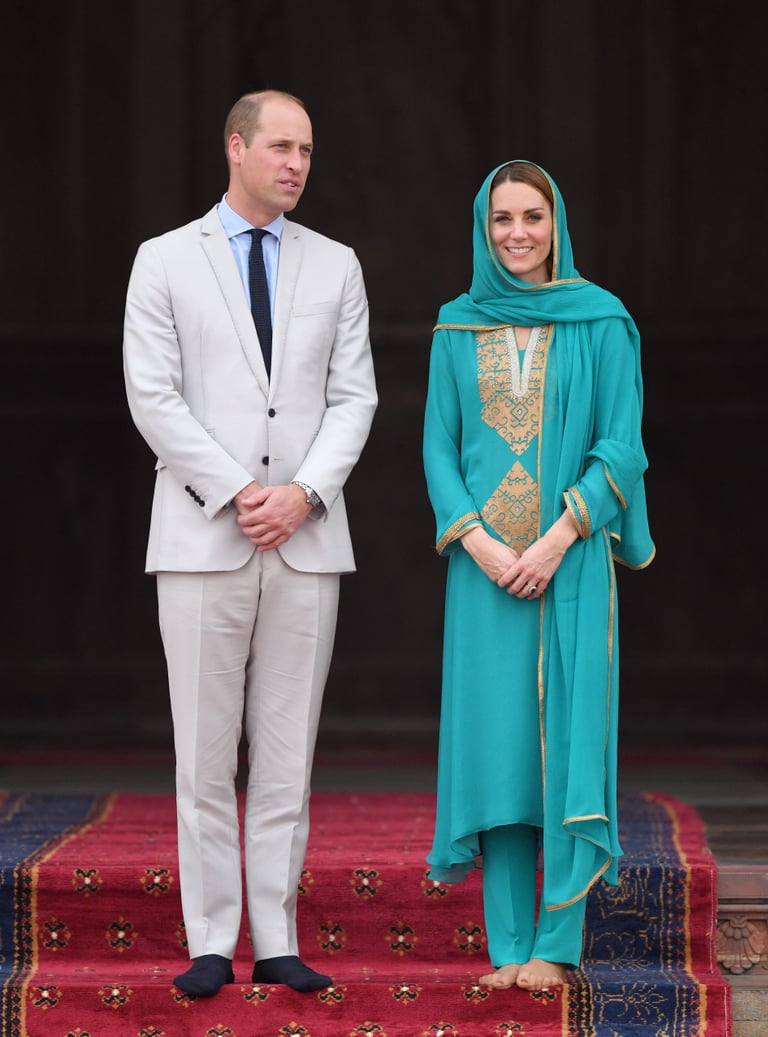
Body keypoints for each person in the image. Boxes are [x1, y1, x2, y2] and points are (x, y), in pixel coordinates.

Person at [122, 89, 377, 998]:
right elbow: (153, 397)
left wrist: (304, 493)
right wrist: (239, 491)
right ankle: (207, 940)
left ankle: (275, 936)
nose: (297, 163)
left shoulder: (337, 264)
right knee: (202, 753)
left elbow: (356, 398)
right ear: (235, 147)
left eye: (306, 148)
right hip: (201, 536)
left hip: (307, 540)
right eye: (281, 146)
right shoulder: (163, 260)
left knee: (286, 751)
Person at [422, 160, 654, 993]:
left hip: (573, 563)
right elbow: (437, 450)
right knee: (501, 754)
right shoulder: (456, 326)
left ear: (558, 224)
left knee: (563, 748)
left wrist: (556, 540)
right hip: (484, 576)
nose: (516, 234)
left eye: (532, 217)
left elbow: (621, 446)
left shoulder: (602, 321)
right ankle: (507, 946)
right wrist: (480, 545)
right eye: (500, 220)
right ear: (481, 230)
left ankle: (555, 945)